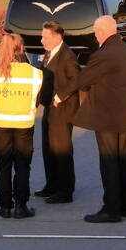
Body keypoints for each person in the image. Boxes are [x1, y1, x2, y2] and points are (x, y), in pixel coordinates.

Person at [55, 15, 126, 223]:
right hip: (124, 116)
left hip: (106, 117)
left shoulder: (104, 54)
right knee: (123, 161)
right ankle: (125, 206)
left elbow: (82, 80)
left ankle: (111, 210)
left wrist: (60, 95)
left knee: (109, 163)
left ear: (101, 32)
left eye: (96, 32)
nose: (95, 36)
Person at [0, 33, 43, 219]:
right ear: (21, 48)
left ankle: (4, 207)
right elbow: (37, 100)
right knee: (22, 166)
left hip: (0, 123)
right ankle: (20, 206)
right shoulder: (35, 73)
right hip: (24, 124)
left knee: (3, 166)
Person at [34, 20, 80, 204]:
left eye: (45, 37)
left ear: (56, 37)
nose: (41, 40)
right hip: (49, 108)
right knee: (48, 148)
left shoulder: (67, 56)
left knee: (61, 150)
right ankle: (51, 185)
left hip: (63, 110)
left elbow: (76, 80)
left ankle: (65, 191)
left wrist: (60, 97)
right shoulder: (49, 53)